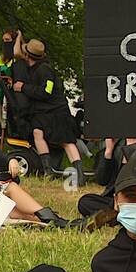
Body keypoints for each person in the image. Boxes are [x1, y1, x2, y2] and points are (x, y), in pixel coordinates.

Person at [11, 36, 82, 177]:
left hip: (57, 111)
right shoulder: (31, 67)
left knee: (66, 141)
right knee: (38, 133)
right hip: (43, 113)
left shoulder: (45, 70)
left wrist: (24, 87)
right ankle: (48, 169)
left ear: (28, 56)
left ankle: (79, 173)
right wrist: (19, 36)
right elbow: (17, 53)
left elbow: (46, 91)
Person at [78, 137, 136, 219]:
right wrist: (108, 152)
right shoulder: (117, 143)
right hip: (114, 200)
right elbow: (102, 180)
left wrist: (132, 146)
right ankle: (120, 215)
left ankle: (117, 215)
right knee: (85, 201)